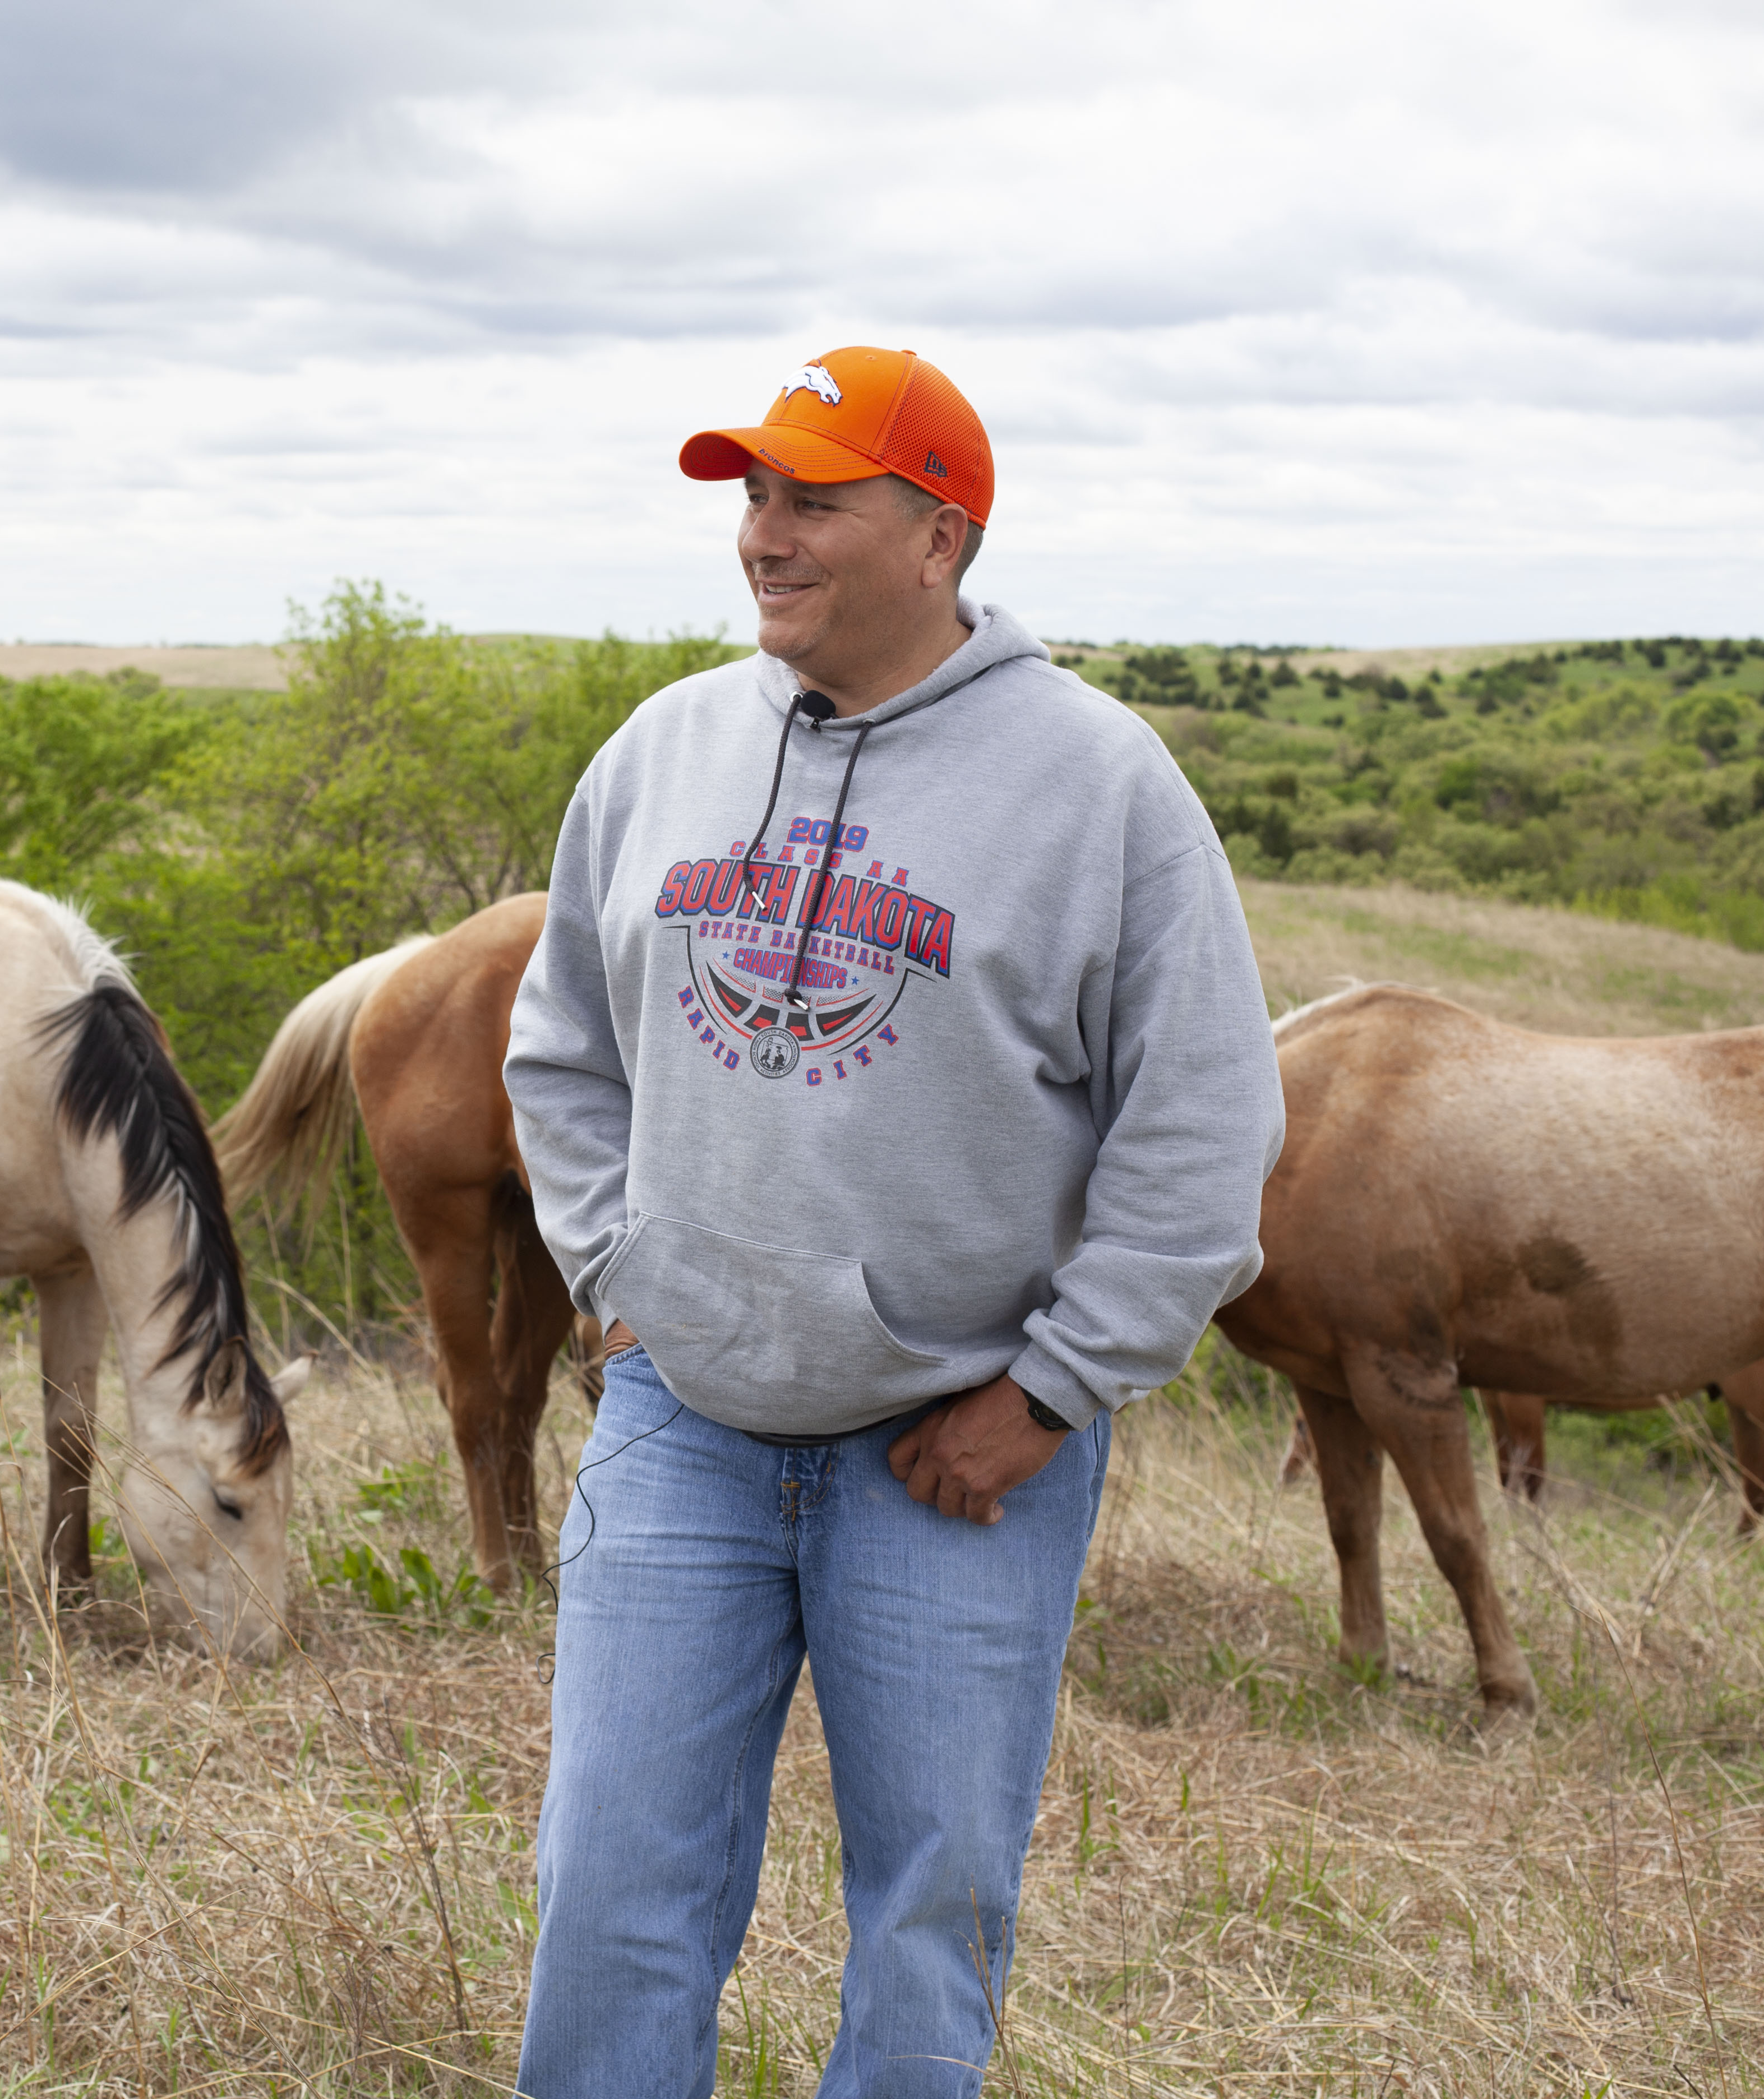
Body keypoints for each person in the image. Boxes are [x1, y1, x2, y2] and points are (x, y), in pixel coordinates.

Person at [504, 346, 1286, 2096]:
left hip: (955, 1457)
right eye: (753, 497)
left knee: (932, 1915)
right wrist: (621, 1273)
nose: (763, 536)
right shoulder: (660, 753)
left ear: (940, 535)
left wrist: (1052, 1393)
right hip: (683, 1426)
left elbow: (1204, 1130)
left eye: (814, 501)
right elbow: (561, 1048)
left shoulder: (1101, 788)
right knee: (610, 1890)